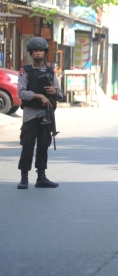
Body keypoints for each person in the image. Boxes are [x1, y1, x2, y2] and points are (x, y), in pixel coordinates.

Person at [16, 37, 64, 189]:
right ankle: (24, 178)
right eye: (35, 50)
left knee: (43, 146)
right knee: (27, 146)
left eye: (40, 50)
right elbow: (22, 93)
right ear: (31, 53)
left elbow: (61, 94)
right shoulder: (25, 71)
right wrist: (39, 96)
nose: (38, 53)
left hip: (46, 114)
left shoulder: (50, 72)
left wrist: (53, 91)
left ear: (44, 52)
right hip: (31, 114)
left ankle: (41, 177)